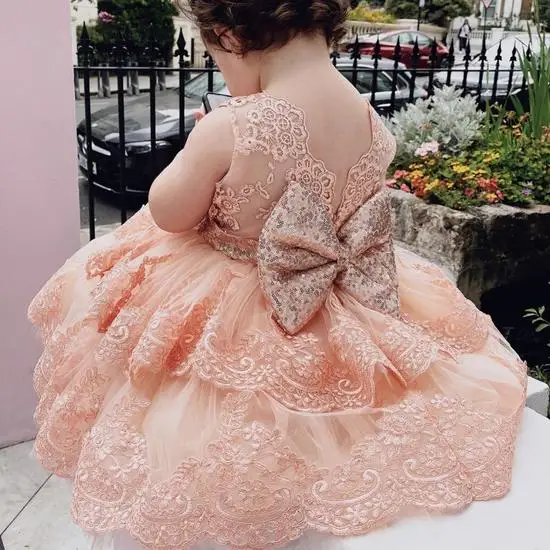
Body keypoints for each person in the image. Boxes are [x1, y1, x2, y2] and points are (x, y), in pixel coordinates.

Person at [29, 1, 526, 549]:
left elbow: (170, 213)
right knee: (326, 422)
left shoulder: (232, 126)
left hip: (231, 302)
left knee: (212, 424)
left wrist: (203, 151)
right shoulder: (369, 119)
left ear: (229, 36)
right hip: (340, 298)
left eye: (216, 57)